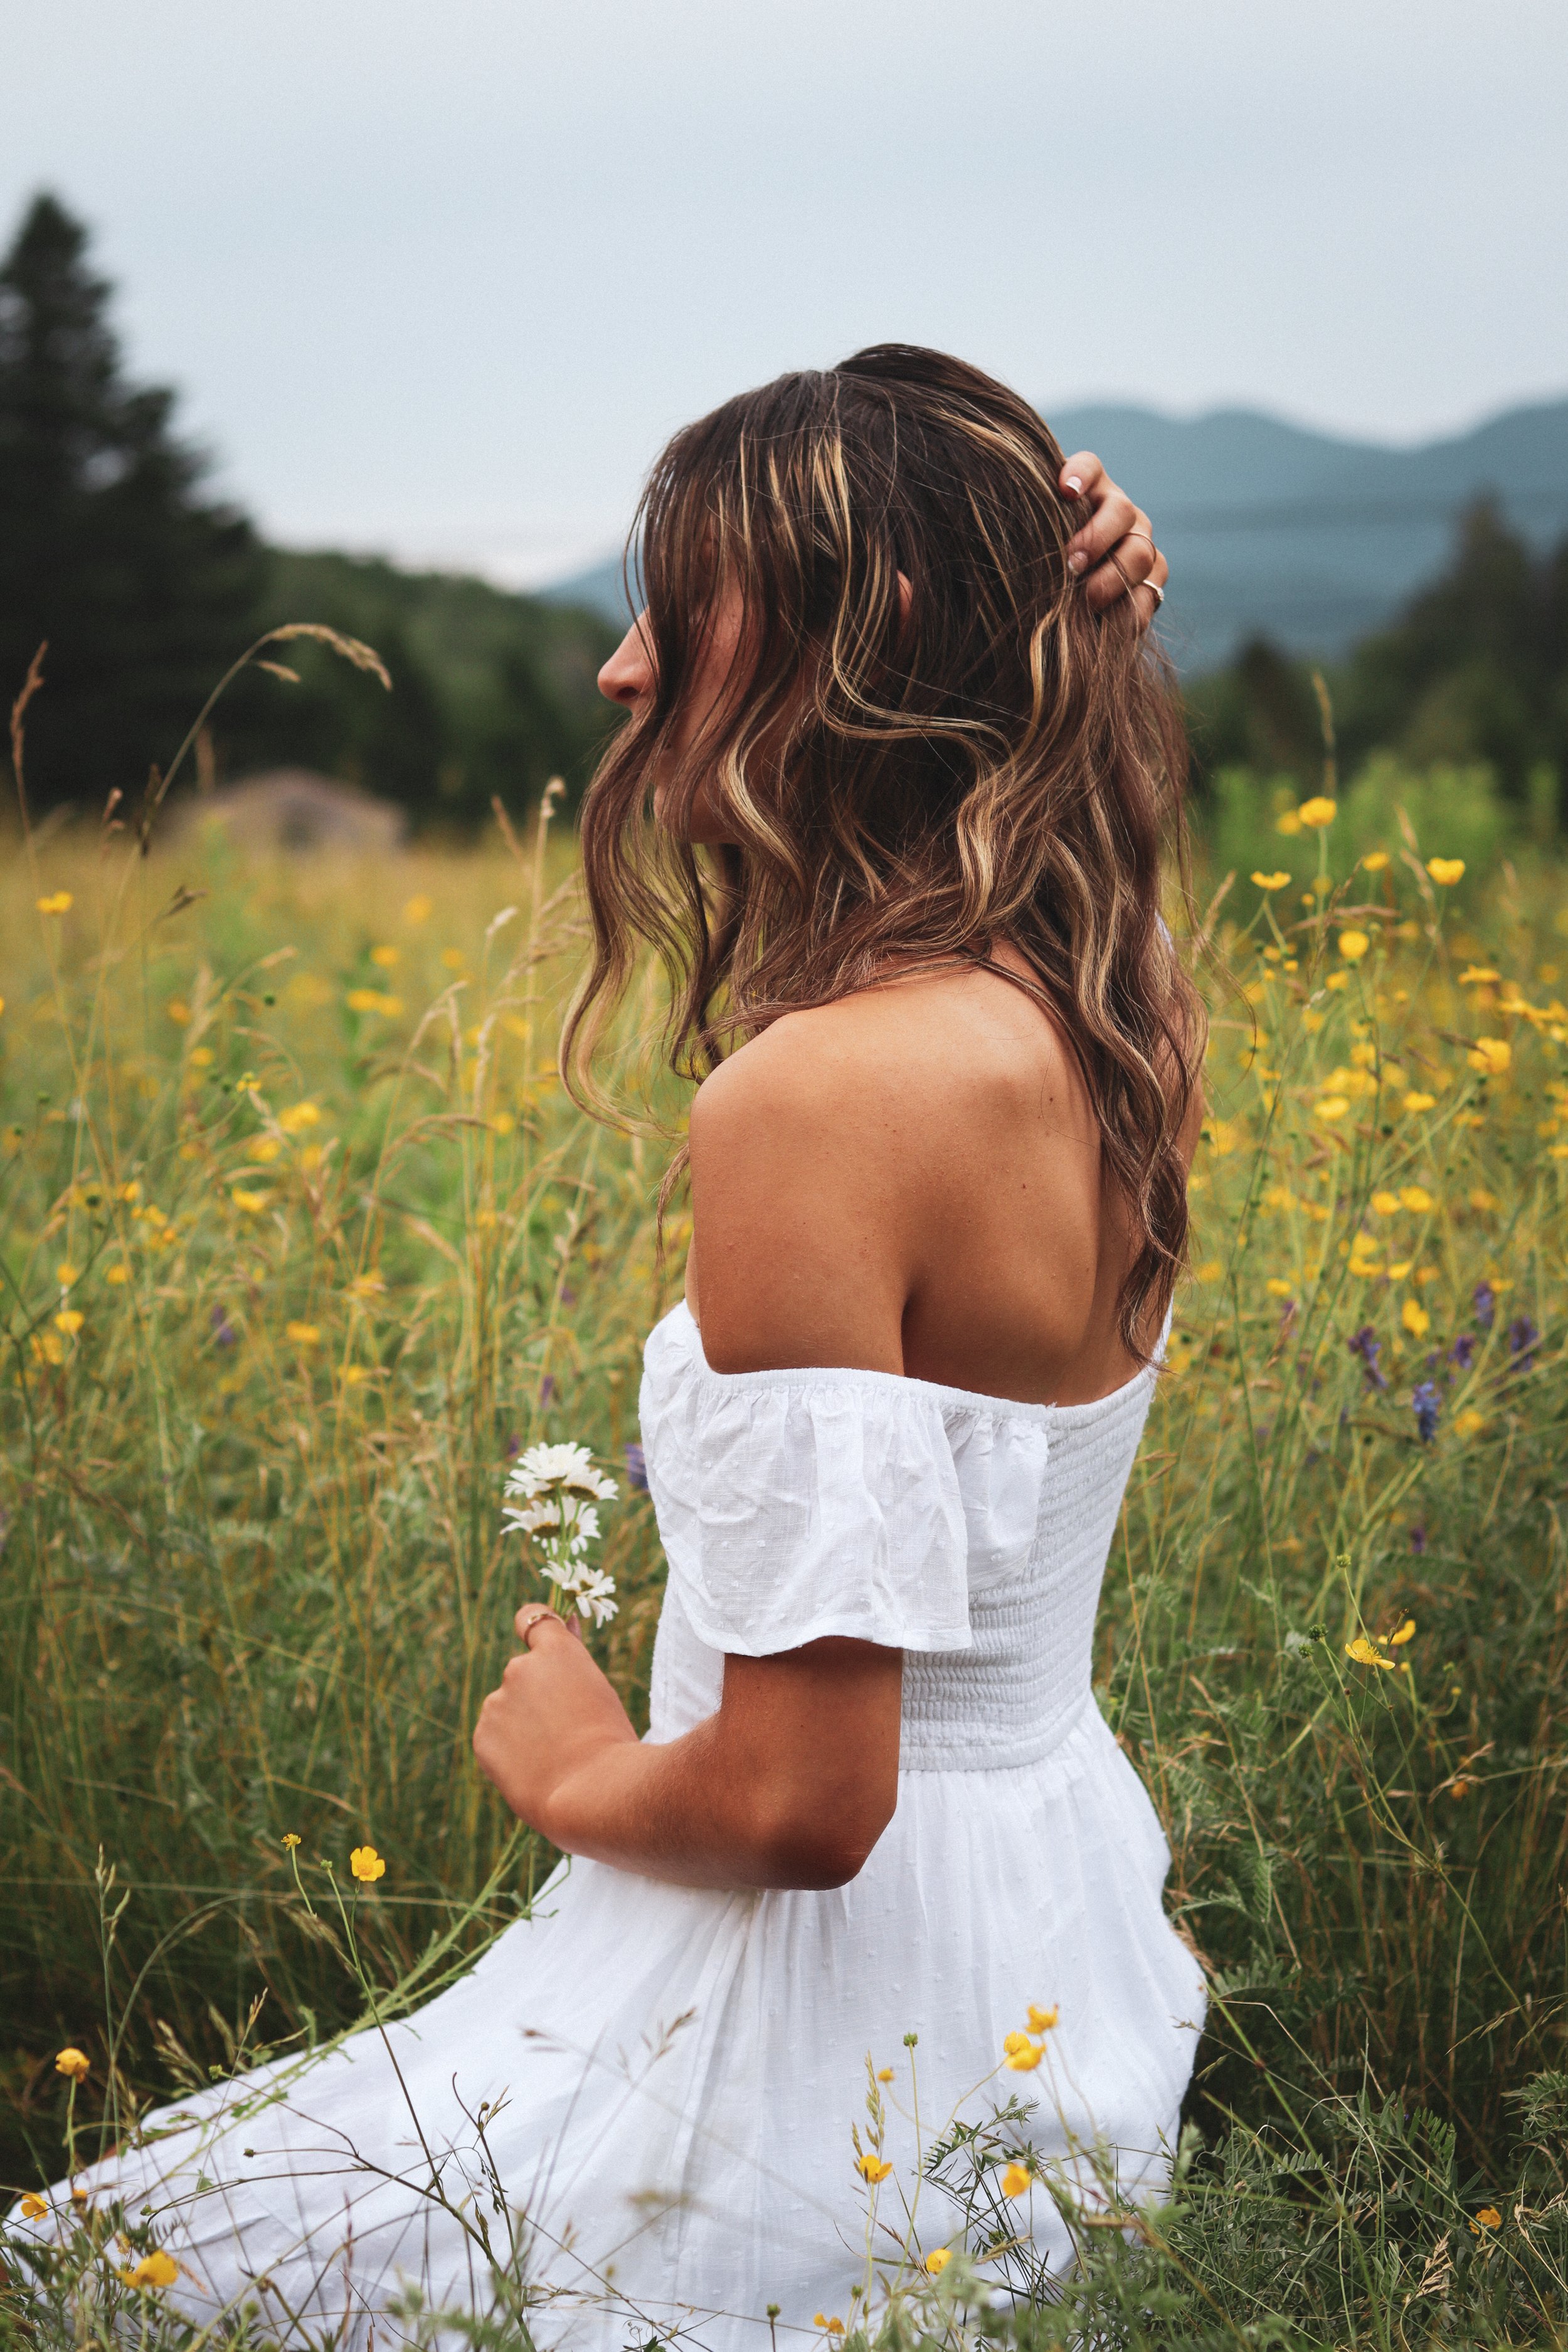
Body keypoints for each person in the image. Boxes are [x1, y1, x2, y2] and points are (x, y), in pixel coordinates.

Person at [17, 347, 1204, 2346]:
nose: (621, 672)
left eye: (681, 603)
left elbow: (802, 1808)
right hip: (1043, 1958)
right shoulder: (1114, 1007)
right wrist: (1061, 589)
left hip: (823, 2023)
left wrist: (571, 1775)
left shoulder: (814, 1101)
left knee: (102, 2279)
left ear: (867, 630)